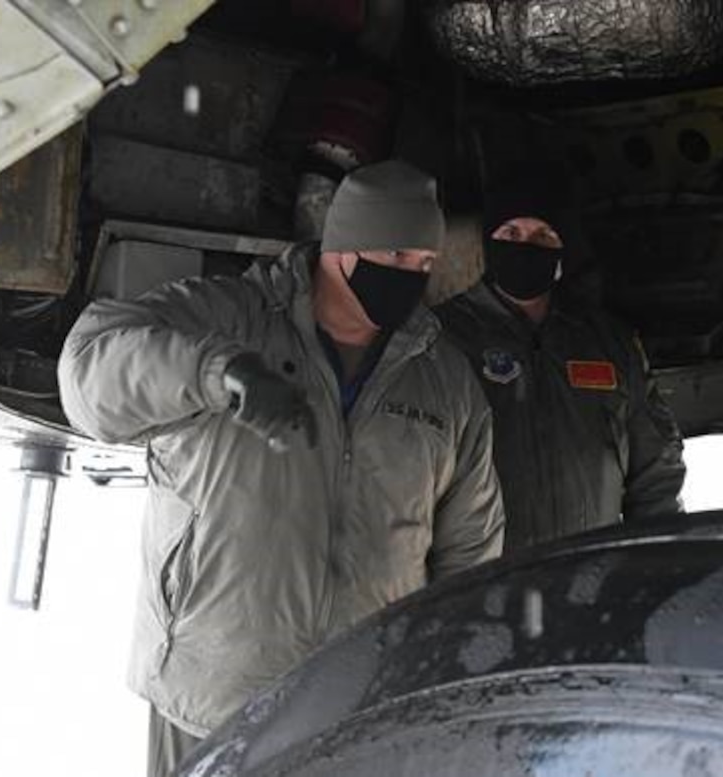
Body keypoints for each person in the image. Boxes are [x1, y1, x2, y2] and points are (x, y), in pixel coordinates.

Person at [58, 160, 504, 776]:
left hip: (360, 712)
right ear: (343, 244)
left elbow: (470, 554)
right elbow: (89, 375)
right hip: (213, 703)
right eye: (397, 253)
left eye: (424, 264)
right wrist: (217, 373)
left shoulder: (445, 382)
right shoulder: (230, 317)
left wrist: (445, 673)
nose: (410, 277)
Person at [435, 176, 686, 552]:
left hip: (586, 584)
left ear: (562, 248)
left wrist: (656, 569)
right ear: (489, 239)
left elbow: (655, 478)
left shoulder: (608, 344)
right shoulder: (443, 339)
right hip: (481, 588)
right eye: (512, 232)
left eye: (544, 236)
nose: (526, 246)